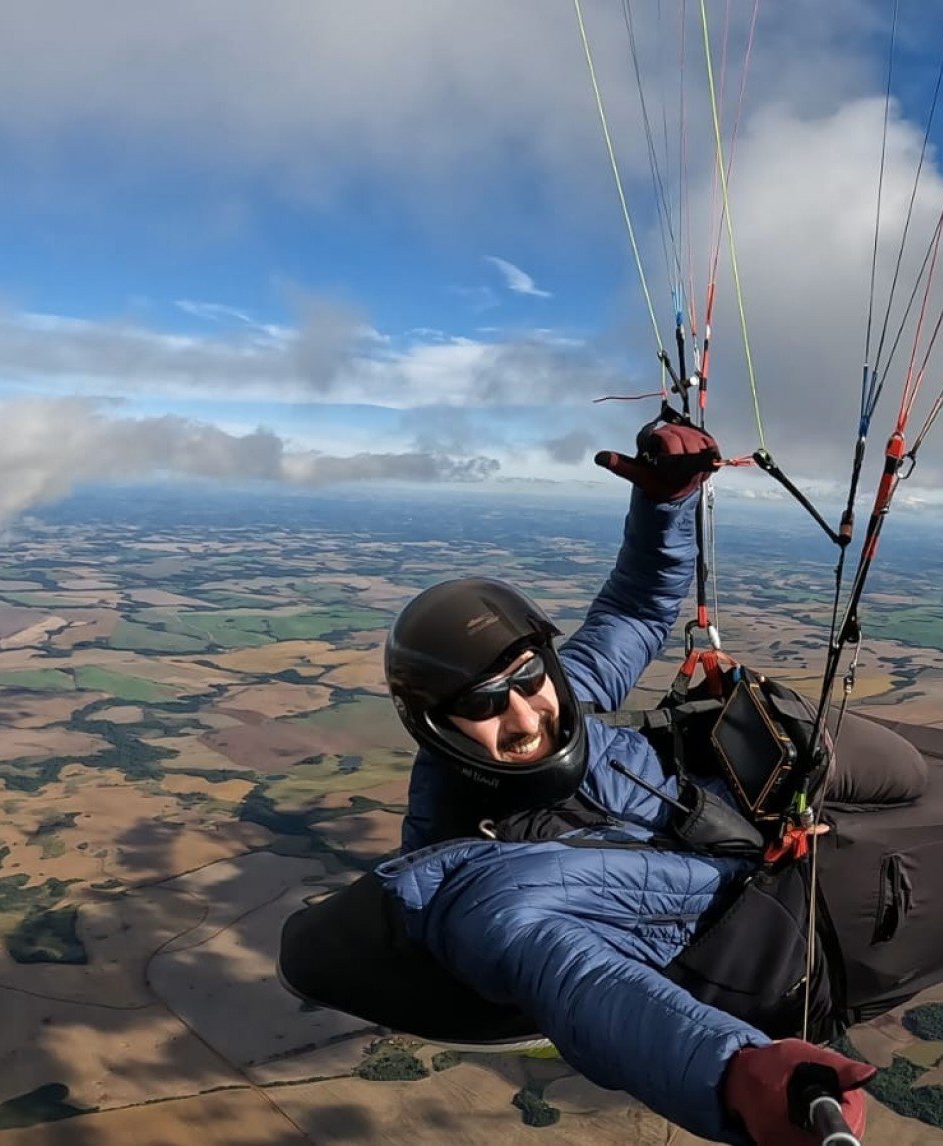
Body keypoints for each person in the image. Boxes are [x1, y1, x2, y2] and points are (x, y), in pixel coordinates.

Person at [369, 417, 874, 1146]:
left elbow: (635, 607)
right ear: (434, 727)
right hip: (789, 943)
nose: (523, 713)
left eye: (527, 677)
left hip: (784, 839)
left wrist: (663, 506)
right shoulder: (477, 885)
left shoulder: (562, 696)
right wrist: (737, 1074)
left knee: (892, 765)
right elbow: (590, 991)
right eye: (480, 704)